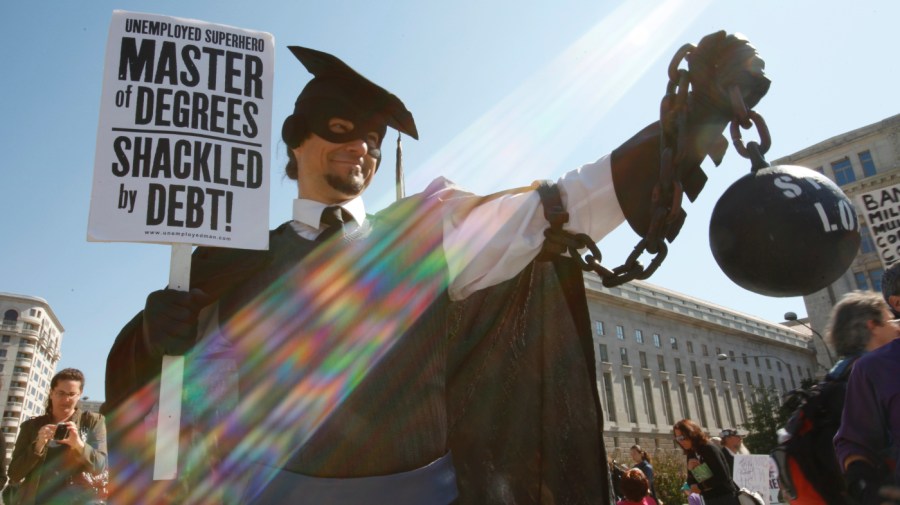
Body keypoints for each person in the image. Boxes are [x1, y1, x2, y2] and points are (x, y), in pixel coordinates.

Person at [103, 35, 768, 505]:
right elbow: (182, 413)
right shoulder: (231, 264)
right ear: (298, 139)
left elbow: (560, 208)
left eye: (373, 137)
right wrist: (156, 343)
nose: (360, 146)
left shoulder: (427, 234)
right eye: (340, 127)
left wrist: (691, 122)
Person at [775, 291, 899, 505]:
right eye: (890, 320)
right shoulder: (872, 375)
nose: (897, 327)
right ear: (872, 326)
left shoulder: (837, 376)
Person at [833, 292, 900, 504]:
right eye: (891, 320)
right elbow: (854, 441)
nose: (895, 326)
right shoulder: (873, 367)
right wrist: (868, 490)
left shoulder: (842, 372)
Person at [8, 368, 107, 505]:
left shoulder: (92, 421)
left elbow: (100, 465)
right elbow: (14, 473)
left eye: (72, 394)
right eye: (61, 393)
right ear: (51, 393)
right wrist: (38, 446)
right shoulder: (31, 426)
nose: (66, 399)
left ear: (80, 395)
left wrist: (78, 444)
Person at [674, 418, 740, 505]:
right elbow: (692, 481)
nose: (681, 441)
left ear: (692, 434)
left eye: (683, 437)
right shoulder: (691, 453)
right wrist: (691, 471)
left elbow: (722, 476)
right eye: (678, 438)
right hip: (708, 499)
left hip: (725, 497)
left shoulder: (708, 448)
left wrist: (699, 486)